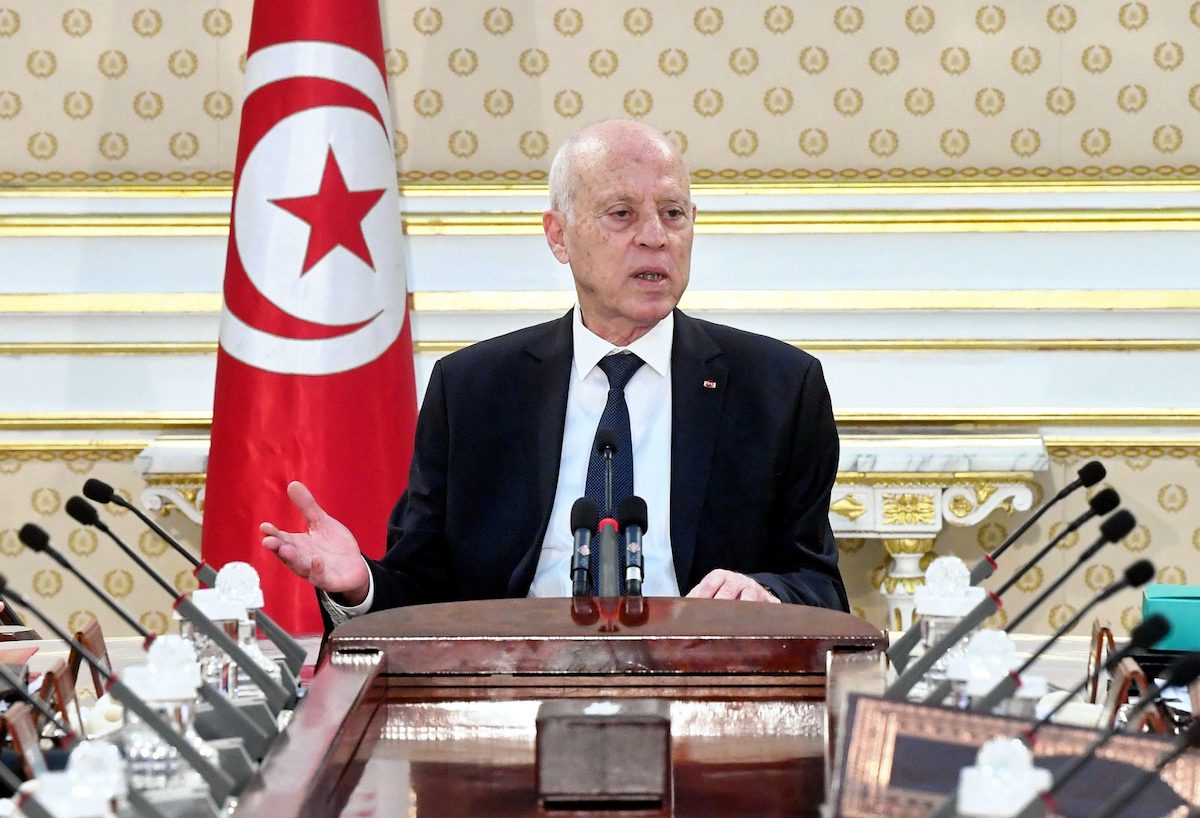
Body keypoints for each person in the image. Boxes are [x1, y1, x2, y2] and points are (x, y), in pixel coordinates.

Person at [261, 119, 848, 617]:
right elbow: (422, 594)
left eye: (673, 214)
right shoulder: (473, 389)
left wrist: (767, 593)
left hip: (705, 695)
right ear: (558, 235)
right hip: (514, 695)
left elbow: (820, 586)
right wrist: (359, 584)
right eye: (622, 214)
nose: (655, 238)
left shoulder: (777, 387)